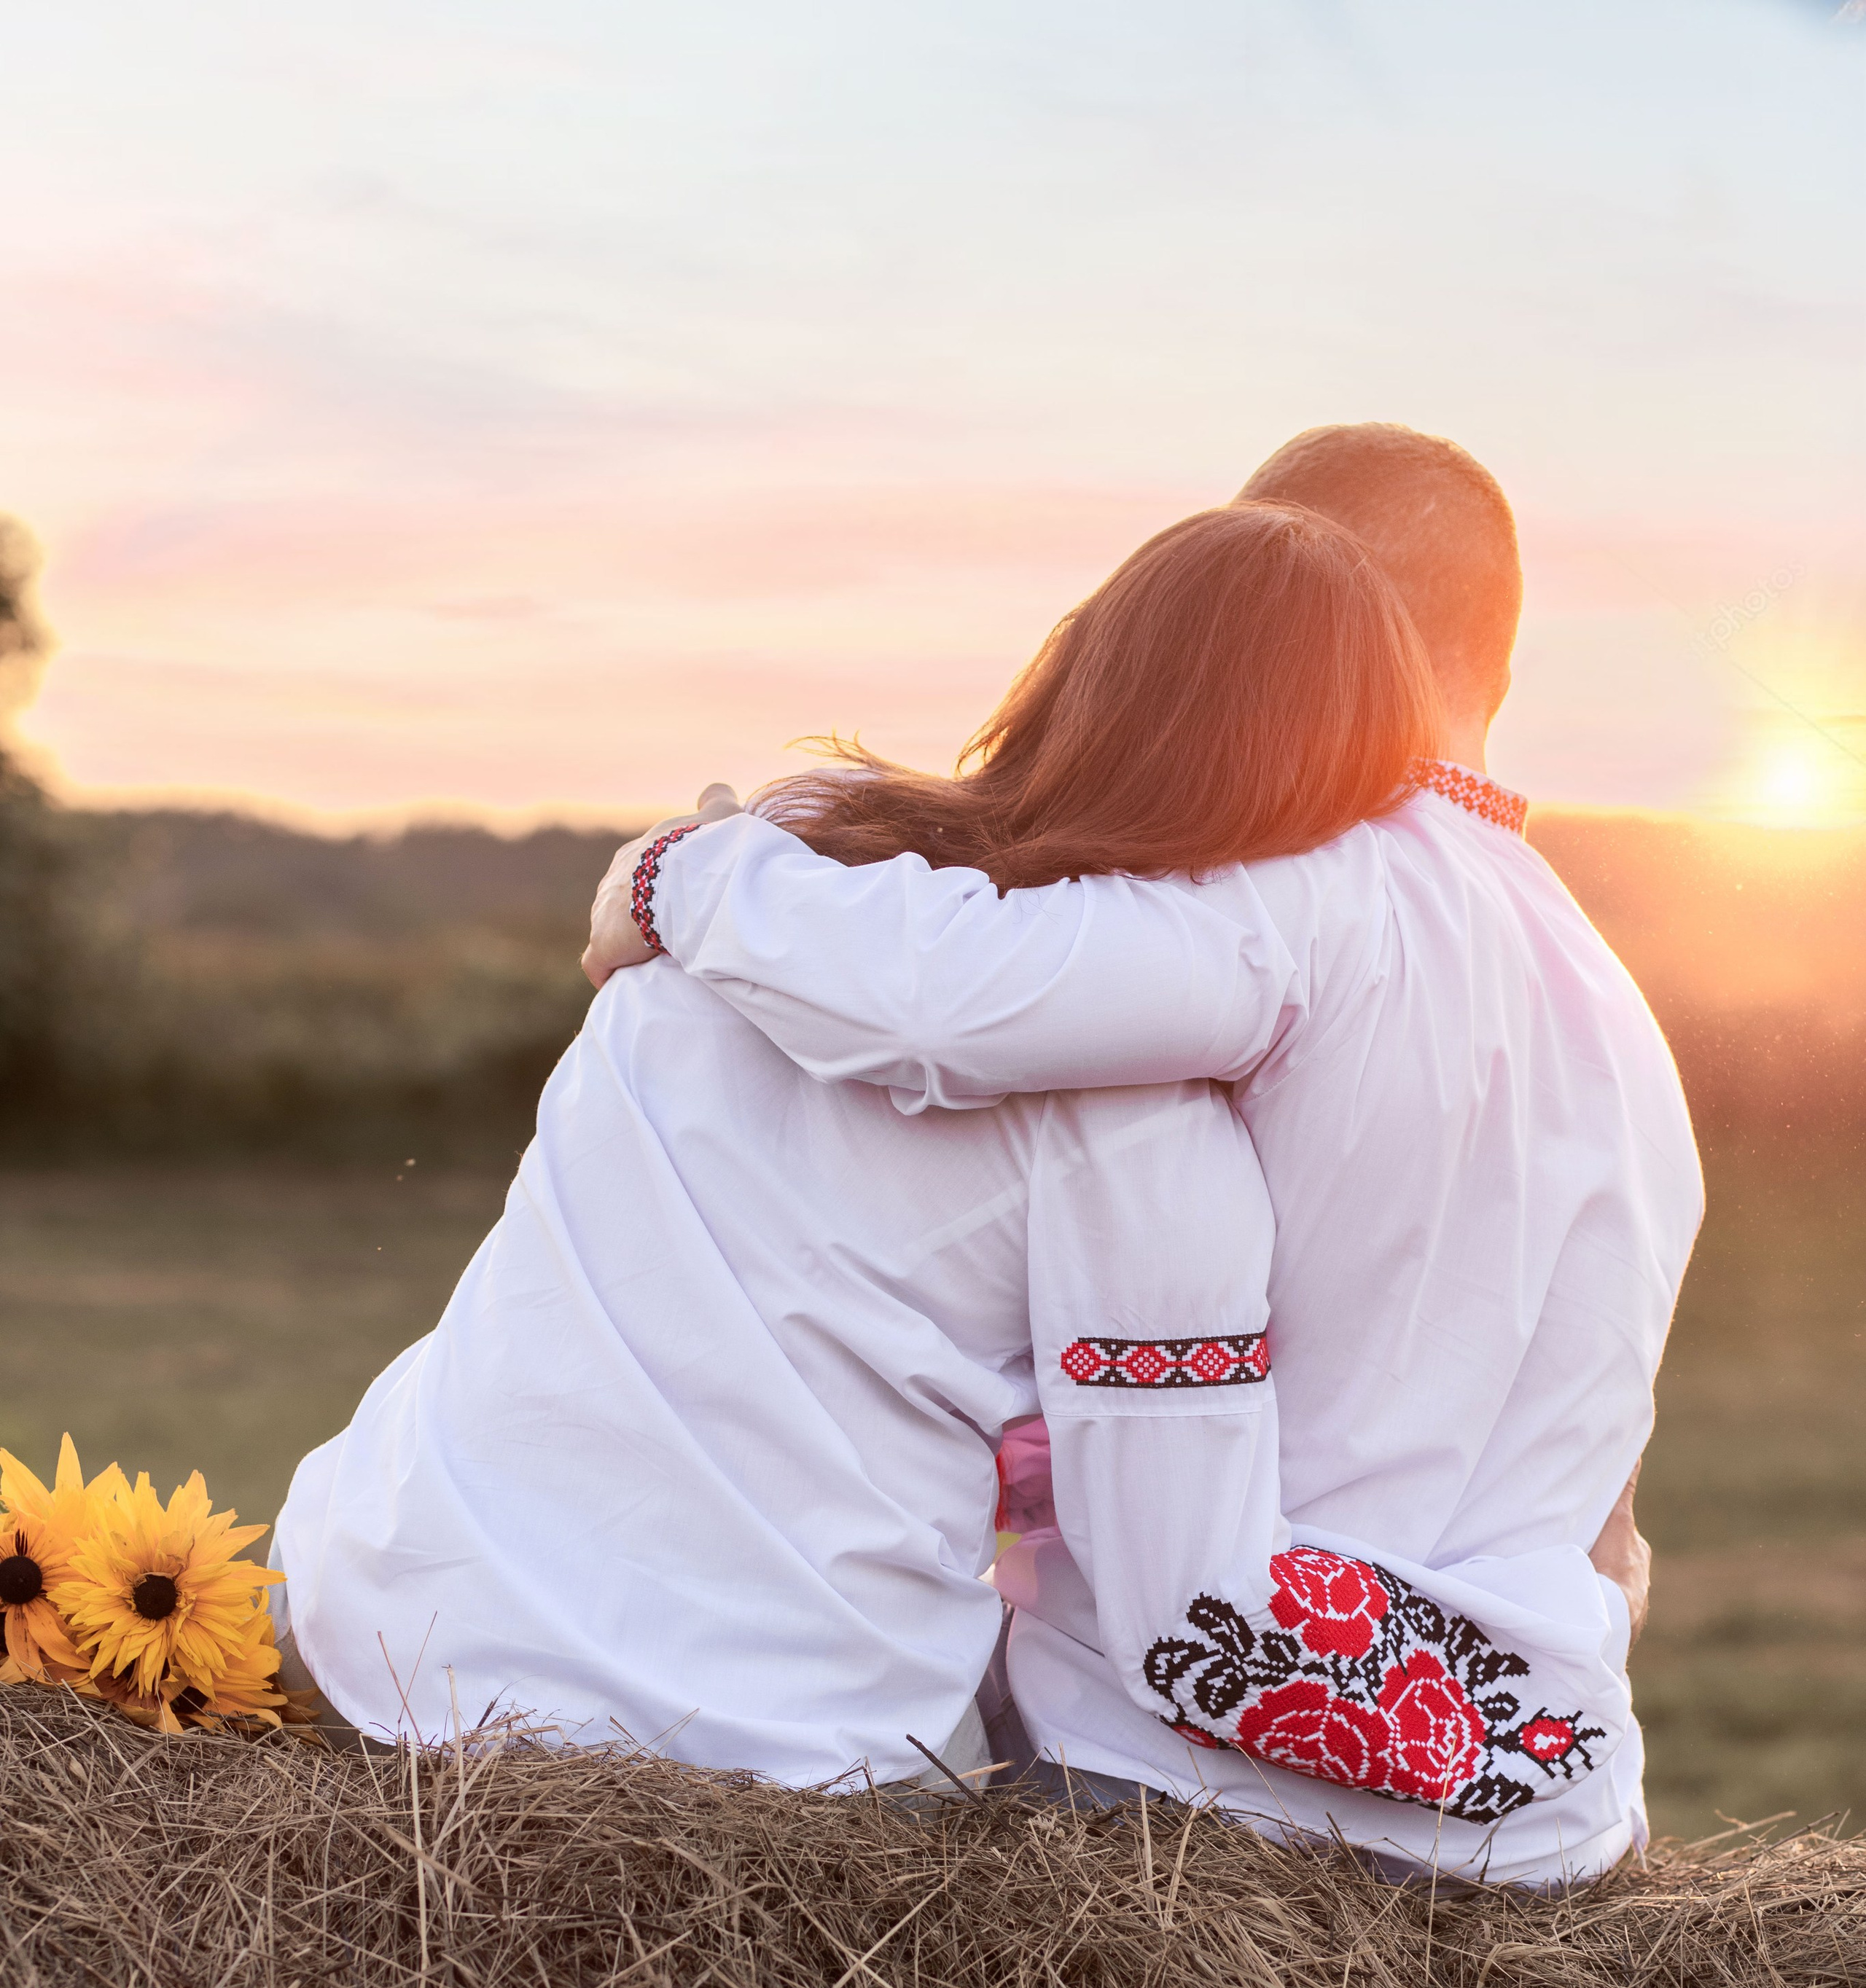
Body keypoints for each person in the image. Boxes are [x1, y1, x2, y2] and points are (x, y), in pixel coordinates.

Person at [274, 500, 1639, 1878]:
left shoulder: (776, 865)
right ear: (1329, 796)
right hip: (773, 1761)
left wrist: (686, 860)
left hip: (377, 1616)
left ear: (1079, 665)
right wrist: (1548, 1732)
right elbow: (1194, 1616)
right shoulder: (1151, 1141)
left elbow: (908, 993)